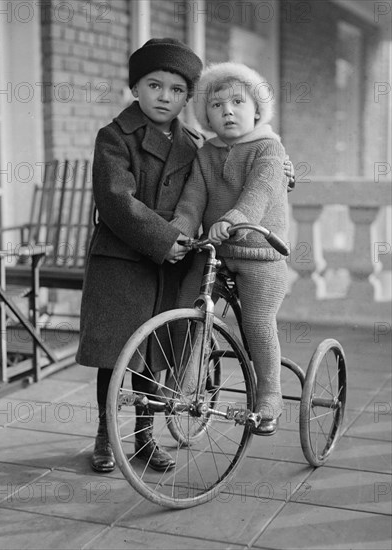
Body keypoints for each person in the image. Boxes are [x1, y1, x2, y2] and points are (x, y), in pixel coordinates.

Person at [77, 42, 295, 474]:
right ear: (134, 87)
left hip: (171, 260)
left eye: (177, 90)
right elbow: (116, 200)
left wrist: (286, 175)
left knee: (156, 350)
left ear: (186, 99)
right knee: (117, 354)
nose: (164, 97)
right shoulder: (115, 138)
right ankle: (106, 434)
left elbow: (244, 178)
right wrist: (168, 235)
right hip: (124, 259)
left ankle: (144, 437)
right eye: (153, 85)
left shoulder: (195, 142)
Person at [170, 62, 290, 436]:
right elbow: (192, 199)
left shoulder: (268, 148)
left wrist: (235, 219)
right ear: (206, 115)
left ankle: (270, 394)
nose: (228, 111)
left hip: (261, 254)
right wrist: (177, 232)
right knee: (189, 310)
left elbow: (260, 190)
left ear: (257, 109)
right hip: (215, 255)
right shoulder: (206, 154)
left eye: (238, 102)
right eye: (217, 105)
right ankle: (187, 386)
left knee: (255, 322)